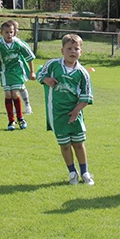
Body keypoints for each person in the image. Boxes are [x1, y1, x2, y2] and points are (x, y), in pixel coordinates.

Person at [37, 34, 95, 185]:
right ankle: (72, 173)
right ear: (62, 50)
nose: (73, 51)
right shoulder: (53, 65)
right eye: (69, 48)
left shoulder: (83, 73)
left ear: (80, 52)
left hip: (75, 113)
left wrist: (77, 110)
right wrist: (46, 79)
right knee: (64, 145)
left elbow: (86, 96)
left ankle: (85, 172)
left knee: (78, 143)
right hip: (57, 113)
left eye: (76, 48)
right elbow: (39, 74)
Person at [0, 20, 36, 131]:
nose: (9, 34)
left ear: (14, 32)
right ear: (1, 33)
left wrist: (32, 72)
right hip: (5, 72)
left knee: (15, 93)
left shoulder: (18, 43)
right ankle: (11, 121)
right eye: (6, 32)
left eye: (11, 32)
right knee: (8, 95)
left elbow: (30, 56)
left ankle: (20, 118)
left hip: (17, 72)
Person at [6, 19, 33, 115]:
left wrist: (31, 71)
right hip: (8, 71)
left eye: (17, 29)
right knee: (11, 90)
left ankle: (27, 105)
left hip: (19, 68)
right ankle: (15, 107)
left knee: (20, 87)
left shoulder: (19, 42)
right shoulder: (2, 42)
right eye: (16, 28)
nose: (17, 31)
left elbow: (28, 53)